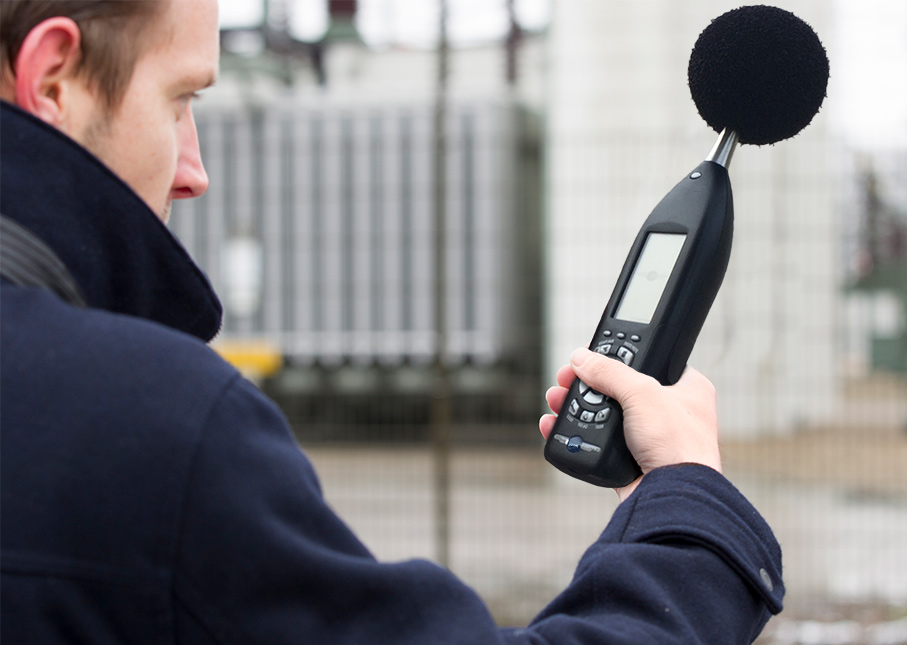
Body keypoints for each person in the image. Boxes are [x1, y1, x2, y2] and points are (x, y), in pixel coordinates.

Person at [0, 0, 784, 642]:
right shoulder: (152, 428)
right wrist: (688, 515)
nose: (194, 170)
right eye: (180, 101)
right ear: (56, 78)